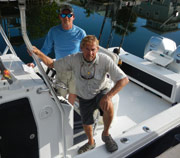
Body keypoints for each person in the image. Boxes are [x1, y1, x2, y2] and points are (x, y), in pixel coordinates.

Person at [29, 35, 129, 154]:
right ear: (81, 48)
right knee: (86, 123)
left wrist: (108, 96)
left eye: (93, 49)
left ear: (97, 49)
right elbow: (52, 64)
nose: (90, 53)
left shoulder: (105, 60)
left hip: (100, 91)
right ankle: (91, 142)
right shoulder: (74, 59)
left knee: (109, 105)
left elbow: (124, 79)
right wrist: (38, 53)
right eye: (87, 49)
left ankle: (106, 134)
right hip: (84, 96)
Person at [28, 4, 86, 105]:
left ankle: (70, 112)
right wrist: (34, 63)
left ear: (73, 17)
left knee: (73, 93)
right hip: (60, 68)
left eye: (69, 15)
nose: (66, 18)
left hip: (75, 69)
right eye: (63, 15)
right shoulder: (53, 31)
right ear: (60, 17)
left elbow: (85, 53)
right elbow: (45, 49)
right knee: (60, 96)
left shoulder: (81, 33)